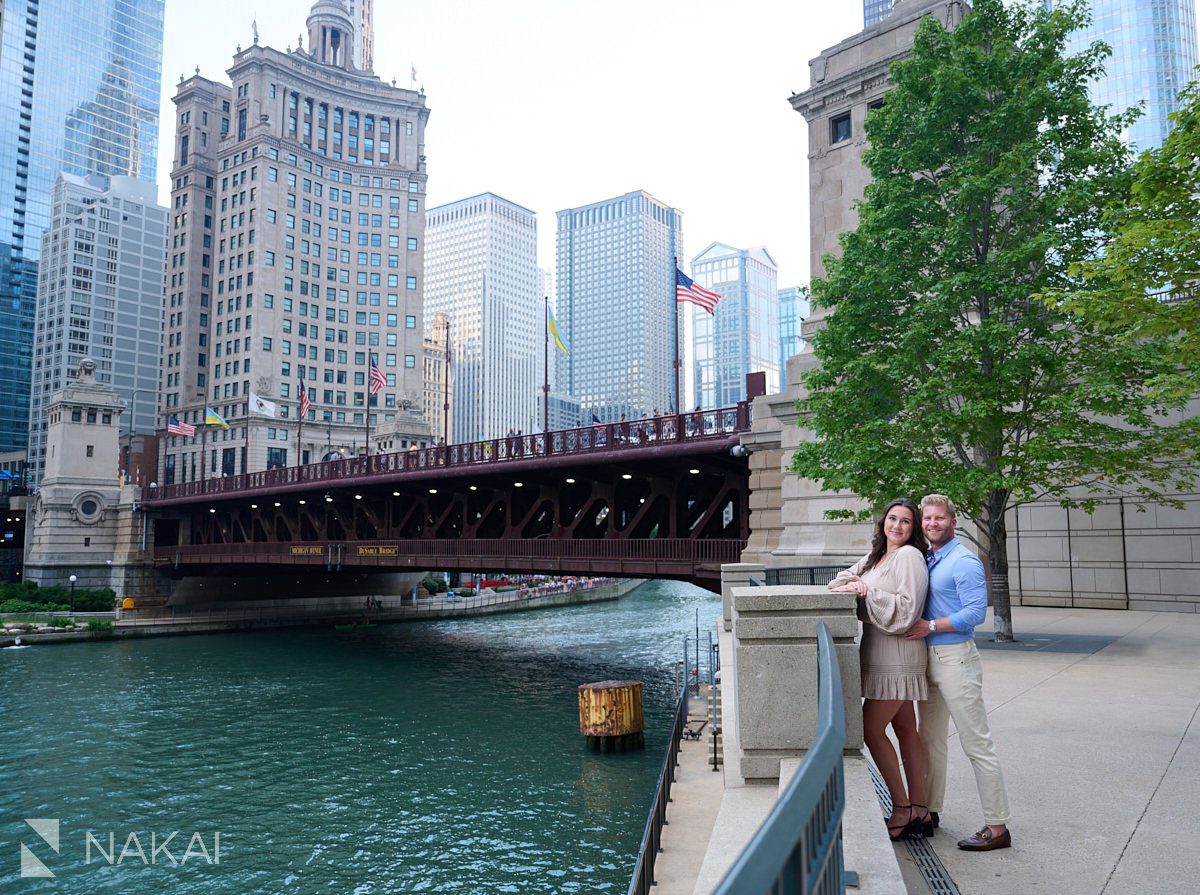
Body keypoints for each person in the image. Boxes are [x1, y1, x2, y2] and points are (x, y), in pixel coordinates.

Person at [904, 494, 1012, 851]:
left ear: (953, 521)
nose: (932, 523)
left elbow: (975, 614)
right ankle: (930, 812)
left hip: (956, 658)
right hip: (930, 659)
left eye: (939, 518)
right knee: (930, 739)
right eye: (927, 519)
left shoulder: (963, 560)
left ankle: (997, 826)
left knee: (976, 742)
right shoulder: (930, 558)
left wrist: (930, 625)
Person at [830, 497, 932, 840]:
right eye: (892, 519)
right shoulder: (879, 555)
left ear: (913, 528)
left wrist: (866, 590)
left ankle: (901, 808)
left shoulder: (909, 557)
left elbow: (906, 612)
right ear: (883, 522)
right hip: (880, 655)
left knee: (871, 731)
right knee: (905, 732)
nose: (897, 526)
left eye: (905, 521)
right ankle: (921, 809)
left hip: (898, 657)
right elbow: (839, 580)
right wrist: (857, 583)